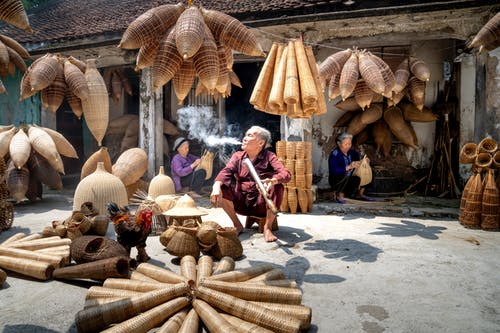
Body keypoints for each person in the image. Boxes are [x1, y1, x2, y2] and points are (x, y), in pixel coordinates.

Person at [210, 126, 290, 242]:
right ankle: (237, 225)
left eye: (250, 135)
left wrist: (273, 180)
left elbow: (285, 173)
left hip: (262, 204)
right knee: (222, 187)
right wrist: (216, 186)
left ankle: (267, 228)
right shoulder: (238, 156)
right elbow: (226, 172)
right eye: (246, 135)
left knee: (278, 187)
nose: (244, 138)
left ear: (261, 143)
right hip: (242, 203)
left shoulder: (269, 156)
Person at [328, 132, 372, 203]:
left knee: (363, 173)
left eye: (349, 144)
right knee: (343, 175)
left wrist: (364, 161)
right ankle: (339, 194)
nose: (348, 146)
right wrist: (348, 167)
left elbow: (359, 161)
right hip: (337, 180)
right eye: (346, 144)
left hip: (350, 178)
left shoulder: (352, 152)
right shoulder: (335, 154)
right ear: (339, 144)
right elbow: (334, 171)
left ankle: (360, 194)